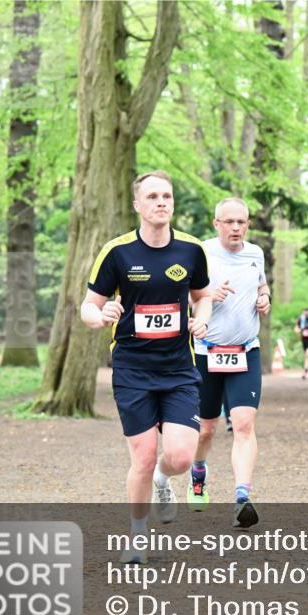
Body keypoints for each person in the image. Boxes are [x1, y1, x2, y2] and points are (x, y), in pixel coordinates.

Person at [81, 170, 211, 564]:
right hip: (133, 369)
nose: (161, 203)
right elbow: (88, 306)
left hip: (177, 369)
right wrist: (101, 314)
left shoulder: (191, 250)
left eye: (167, 196)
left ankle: (163, 479)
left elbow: (202, 296)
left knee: (182, 456)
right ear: (138, 205)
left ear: (173, 204)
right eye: (152, 196)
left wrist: (202, 316)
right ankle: (137, 535)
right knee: (142, 455)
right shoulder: (117, 252)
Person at [187, 197, 271, 528]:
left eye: (242, 222)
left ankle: (242, 497)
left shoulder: (255, 254)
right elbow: (181, 295)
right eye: (229, 222)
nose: (236, 228)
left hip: (245, 350)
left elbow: (262, 286)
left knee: (244, 425)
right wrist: (206, 296)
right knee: (206, 428)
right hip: (207, 353)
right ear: (216, 224)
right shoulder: (200, 254)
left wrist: (264, 298)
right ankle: (197, 471)